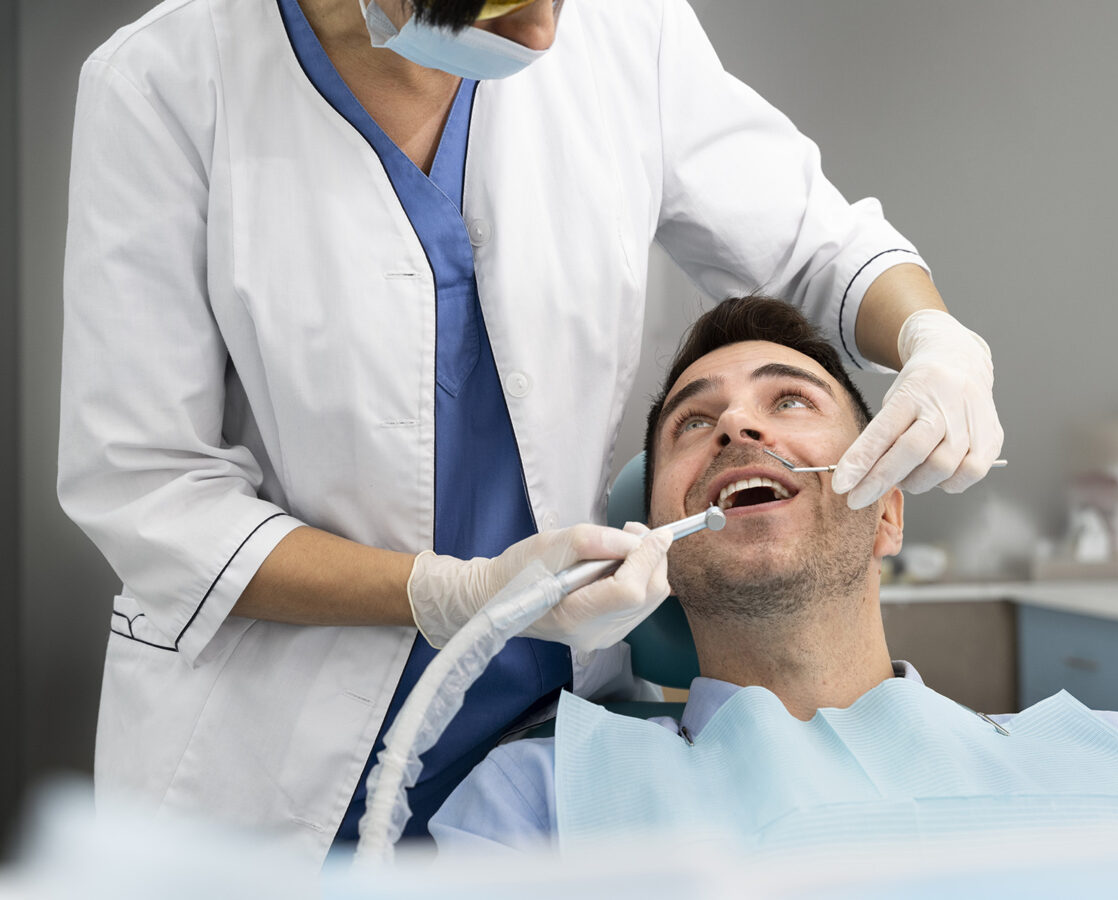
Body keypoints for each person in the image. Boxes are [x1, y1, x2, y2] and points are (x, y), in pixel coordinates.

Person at [58, 0, 1003, 863]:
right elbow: (150, 491)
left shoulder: (628, 32)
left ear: (889, 521)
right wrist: (454, 593)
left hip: (551, 741)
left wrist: (933, 337)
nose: (549, 35)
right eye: (505, 3)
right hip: (263, 771)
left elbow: (813, 246)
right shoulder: (164, 85)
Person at [429, 296, 1118, 853]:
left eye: (790, 400)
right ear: (656, 533)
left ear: (889, 513)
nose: (737, 426)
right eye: (694, 423)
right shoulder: (538, 800)